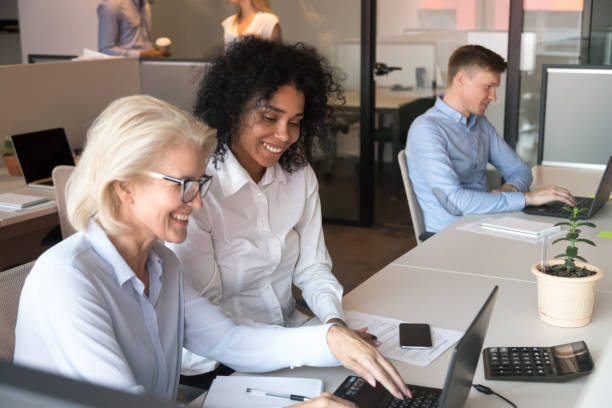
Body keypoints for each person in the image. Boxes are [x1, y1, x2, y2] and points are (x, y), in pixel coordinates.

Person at [13, 95, 409, 407]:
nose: (198, 203)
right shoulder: (67, 281)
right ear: (124, 187)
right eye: (182, 184)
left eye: (199, 184)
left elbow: (228, 340)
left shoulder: (160, 262)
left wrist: (331, 339)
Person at [168, 37, 378, 376]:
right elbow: (208, 318)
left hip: (289, 336)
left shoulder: (298, 176)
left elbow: (313, 268)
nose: (284, 135)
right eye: (269, 117)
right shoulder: (199, 189)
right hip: (219, 361)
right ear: (233, 109)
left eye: (295, 121)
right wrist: (319, 342)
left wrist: (335, 324)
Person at [405, 44, 576, 234]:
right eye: (488, 87)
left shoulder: (479, 123)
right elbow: (455, 203)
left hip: (486, 222)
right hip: (450, 237)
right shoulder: (427, 130)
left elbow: (519, 170)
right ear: (461, 79)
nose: (493, 97)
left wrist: (511, 189)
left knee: (561, 233)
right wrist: (527, 198)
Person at [97, 0, 167, 57]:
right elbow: (105, 50)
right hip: (125, 68)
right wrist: (141, 54)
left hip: (145, 67)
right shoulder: (111, 5)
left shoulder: (146, 4)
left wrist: (154, 53)